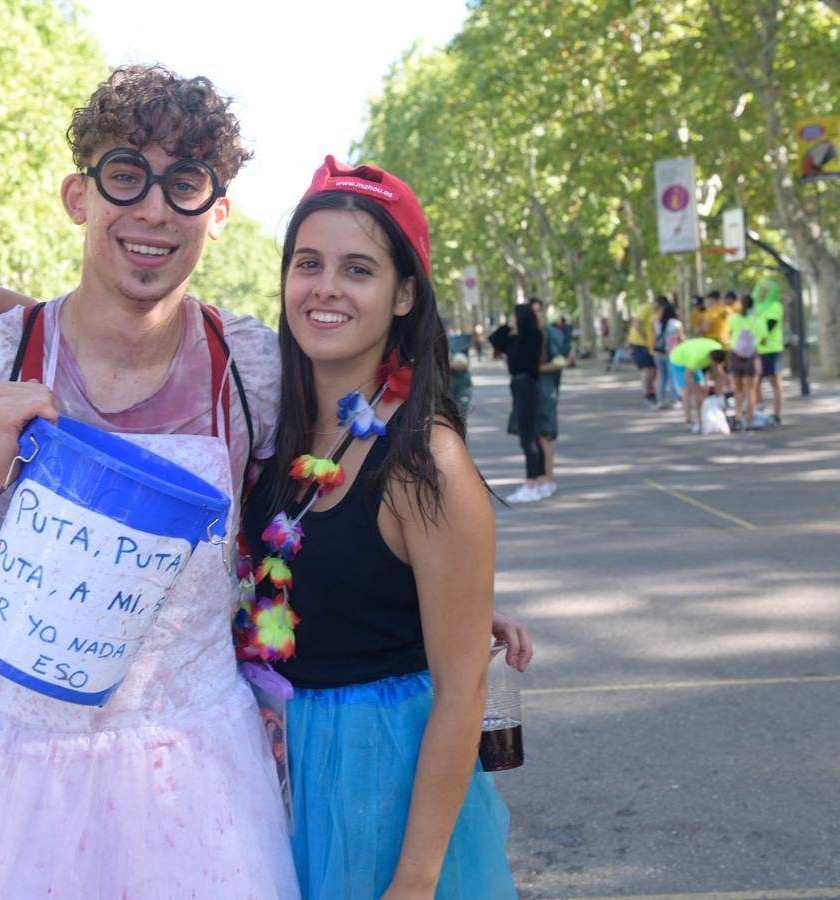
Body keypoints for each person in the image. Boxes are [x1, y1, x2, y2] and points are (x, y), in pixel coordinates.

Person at [0, 65, 298, 899]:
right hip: (13, 795)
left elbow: (372, 460)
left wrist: (444, 588)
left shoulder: (254, 370)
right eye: (126, 175)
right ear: (77, 196)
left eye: (186, 183)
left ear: (218, 214)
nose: (155, 209)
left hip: (204, 792)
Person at [242, 157, 518, 899]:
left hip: (374, 790)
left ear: (403, 295)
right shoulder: (274, 422)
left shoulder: (426, 459)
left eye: (357, 269)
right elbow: (134, 341)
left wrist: (416, 882)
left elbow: (462, 693)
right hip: (265, 772)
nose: (326, 287)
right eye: (309, 263)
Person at [489, 303, 546, 503]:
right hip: (521, 385)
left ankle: (531, 483)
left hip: (526, 385)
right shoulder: (516, 338)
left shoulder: (531, 336)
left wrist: (514, 324)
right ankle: (539, 480)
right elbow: (494, 339)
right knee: (532, 434)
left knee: (527, 435)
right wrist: (508, 325)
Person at [532, 297, 566, 498]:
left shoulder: (551, 334)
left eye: (537, 311)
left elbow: (560, 361)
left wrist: (531, 368)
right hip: (532, 391)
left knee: (544, 436)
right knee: (535, 437)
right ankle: (540, 479)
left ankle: (548, 480)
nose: (534, 315)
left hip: (546, 390)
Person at [668, 336, 727, 434]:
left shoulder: (718, 349)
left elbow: (719, 371)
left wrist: (718, 394)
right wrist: (700, 389)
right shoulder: (697, 358)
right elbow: (688, 378)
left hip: (692, 354)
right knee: (687, 390)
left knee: (701, 392)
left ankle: (700, 420)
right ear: (711, 359)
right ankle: (688, 420)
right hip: (678, 360)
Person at [726, 294, 763, 431]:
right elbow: (763, 339)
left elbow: (729, 334)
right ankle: (749, 423)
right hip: (751, 357)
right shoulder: (758, 320)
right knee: (750, 391)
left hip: (735, 356)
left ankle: (737, 419)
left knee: (737, 391)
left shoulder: (734, 318)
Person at [754, 276, 785, 426]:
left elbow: (770, 325)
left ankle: (777, 414)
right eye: (761, 289)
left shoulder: (775, 306)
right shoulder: (756, 307)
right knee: (755, 381)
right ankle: (760, 411)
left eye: (766, 290)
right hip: (756, 350)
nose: (762, 292)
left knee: (775, 382)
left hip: (771, 349)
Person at [651, 296, 683, 409]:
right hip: (672, 353)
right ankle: (675, 400)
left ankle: (660, 400)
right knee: (673, 377)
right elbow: (681, 338)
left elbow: (655, 337)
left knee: (662, 377)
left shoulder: (657, 323)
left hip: (658, 353)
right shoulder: (676, 323)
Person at [626, 295, 658, 406]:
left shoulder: (654, 311)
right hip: (639, 344)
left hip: (647, 345)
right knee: (646, 369)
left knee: (653, 370)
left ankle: (651, 392)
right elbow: (636, 324)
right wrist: (647, 338)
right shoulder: (646, 309)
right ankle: (647, 394)